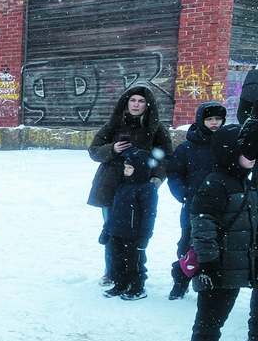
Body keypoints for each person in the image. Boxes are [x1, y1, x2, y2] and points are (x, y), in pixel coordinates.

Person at [186, 124, 257, 341]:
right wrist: (209, 264)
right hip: (216, 267)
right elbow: (203, 227)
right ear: (229, 151)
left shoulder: (241, 181)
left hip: (233, 266)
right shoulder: (216, 184)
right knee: (209, 318)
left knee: (218, 316)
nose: (252, 155)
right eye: (245, 150)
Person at [88, 85, 172, 285]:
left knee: (136, 232)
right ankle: (111, 272)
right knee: (112, 231)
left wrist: (156, 179)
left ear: (147, 104)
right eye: (133, 100)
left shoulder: (156, 127)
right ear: (126, 102)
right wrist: (113, 148)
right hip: (111, 185)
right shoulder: (114, 124)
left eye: (141, 101)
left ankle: (133, 274)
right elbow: (94, 150)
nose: (136, 104)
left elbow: (166, 157)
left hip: (139, 188)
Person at [166, 102, 225, 300]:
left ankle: (211, 286)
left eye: (218, 118)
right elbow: (174, 173)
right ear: (201, 120)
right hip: (194, 206)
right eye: (209, 119)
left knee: (217, 248)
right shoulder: (187, 148)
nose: (214, 122)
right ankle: (180, 281)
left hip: (222, 208)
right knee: (187, 248)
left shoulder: (228, 144)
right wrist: (184, 193)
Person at [99, 149, 158, 300]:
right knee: (116, 261)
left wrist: (145, 235)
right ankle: (120, 284)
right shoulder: (122, 187)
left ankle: (138, 287)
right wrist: (106, 230)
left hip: (134, 234)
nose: (126, 170)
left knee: (135, 262)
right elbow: (114, 211)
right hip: (116, 232)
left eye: (130, 167)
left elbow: (149, 215)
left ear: (140, 168)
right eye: (125, 167)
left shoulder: (147, 189)